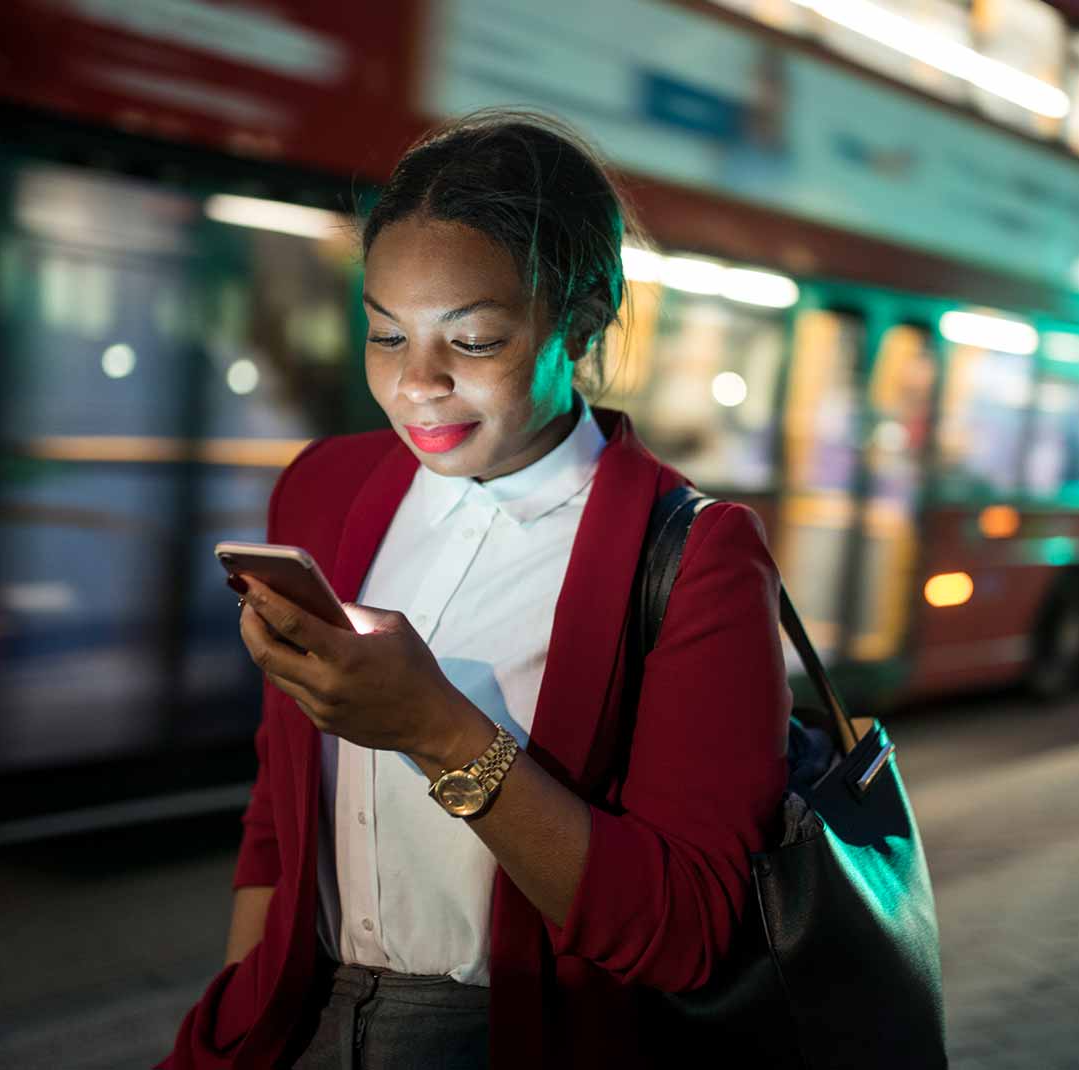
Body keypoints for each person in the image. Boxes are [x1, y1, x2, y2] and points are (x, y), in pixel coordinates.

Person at [159, 110, 791, 1070]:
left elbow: (686, 933)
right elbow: (278, 820)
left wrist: (436, 730)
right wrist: (241, 1013)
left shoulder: (698, 557)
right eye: (384, 334)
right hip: (287, 1025)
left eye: (476, 341)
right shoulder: (322, 490)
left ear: (579, 319)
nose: (419, 384)